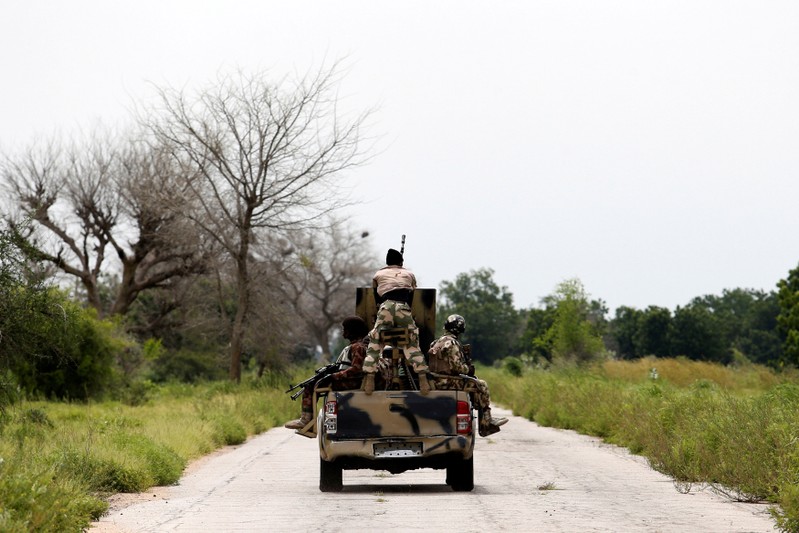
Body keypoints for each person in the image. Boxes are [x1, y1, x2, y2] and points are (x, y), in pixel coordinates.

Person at [361, 248, 431, 395]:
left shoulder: (378, 274)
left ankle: (369, 378)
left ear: (387, 262)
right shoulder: (409, 274)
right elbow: (412, 295)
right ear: (401, 262)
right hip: (403, 307)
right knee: (411, 341)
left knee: (375, 340)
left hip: (385, 307)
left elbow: (376, 297)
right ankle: (423, 378)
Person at [285, 316, 372, 430]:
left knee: (311, 386)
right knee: (313, 383)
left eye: (345, 329)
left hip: (353, 382)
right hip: (350, 380)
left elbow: (356, 369)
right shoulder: (355, 346)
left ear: (352, 330)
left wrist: (333, 376)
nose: (343, 332)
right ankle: (307, 421)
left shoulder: (358, 347)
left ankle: (306, 421)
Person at [427, 314, 508, 437]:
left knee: (474, 383)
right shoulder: (452, 343)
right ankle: (487, 422)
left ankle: (480, 412)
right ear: (460, 329)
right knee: (481, 385)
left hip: (434, 381)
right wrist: (468, 369)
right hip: (448, 382)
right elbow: (457, 367)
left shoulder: (435, 343)